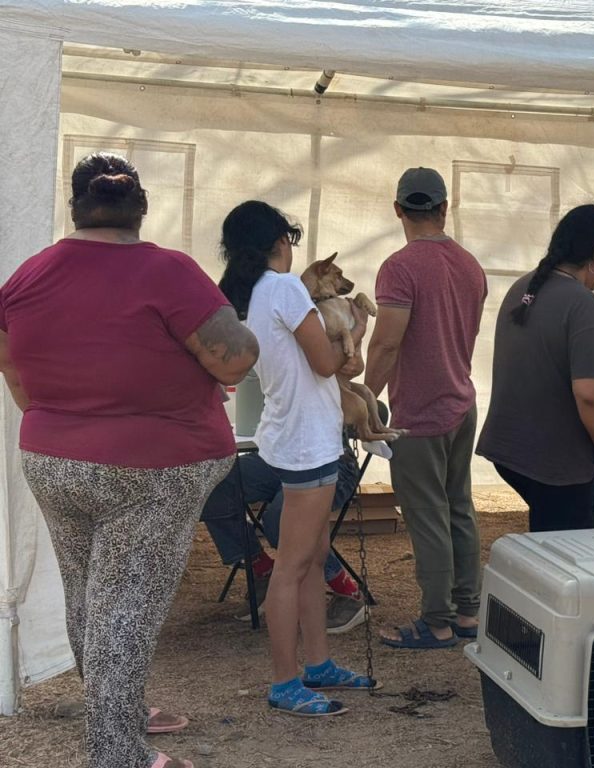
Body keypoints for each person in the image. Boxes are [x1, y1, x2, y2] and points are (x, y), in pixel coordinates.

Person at [0, 153, 258, 768]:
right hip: (153, 468)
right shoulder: (168, 271)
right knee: (126, 607)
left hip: (53, 457)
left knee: (88, 594)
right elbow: (235, 358)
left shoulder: (29, 274)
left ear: (76, 206)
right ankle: (117, 752)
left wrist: (59, 414)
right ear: (140, 208)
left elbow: (11, 365)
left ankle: (116, 712)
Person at [219, 200, 374, 718]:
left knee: (310, 554)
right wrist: (356, 330)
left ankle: (318, 662)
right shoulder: (285, 287)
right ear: (280, 243)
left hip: (291, 433)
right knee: (292, 565)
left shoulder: (254, 294)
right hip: (308, 440)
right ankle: (286, 681)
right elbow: (328, 363)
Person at [365, 167, 487, 650]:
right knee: (459, 508)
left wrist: (363, 398)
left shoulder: (400, 267)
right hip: (461, 400)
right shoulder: (470, 264)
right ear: (444, 208)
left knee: (427, 514)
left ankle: (436, 621)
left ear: (398, 209)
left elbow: (386, 342)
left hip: (418, 410)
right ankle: (467, 612)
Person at [477, 204, 594, 532]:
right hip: (556, 460)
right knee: (566, 551)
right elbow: (590, 393)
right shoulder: (583, 304)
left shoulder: (523, 288)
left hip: (510, 445)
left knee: (545, 540)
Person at [201, 449, 367, 633]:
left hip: (327, 460)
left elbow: (364, 429)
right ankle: (263, 570)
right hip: (275, 457)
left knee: (283, 518)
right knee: (210, 485)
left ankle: (348, 592)